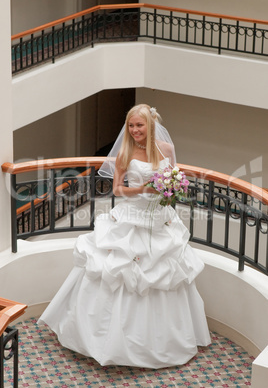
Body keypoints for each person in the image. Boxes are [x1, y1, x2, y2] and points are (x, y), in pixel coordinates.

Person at [38, 104, 211, 369]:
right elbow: (117, 189)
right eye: (131, 126)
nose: (134, 130)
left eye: (139, 125)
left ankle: (160, 340)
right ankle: (105, 339)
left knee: (162, 274)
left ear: (150, 125)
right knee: (119, 272)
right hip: (130, 216)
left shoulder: (166, 150)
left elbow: (173, 179)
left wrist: (169, 191)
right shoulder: (125, 151)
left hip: (159, 219)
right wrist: (142, 188)